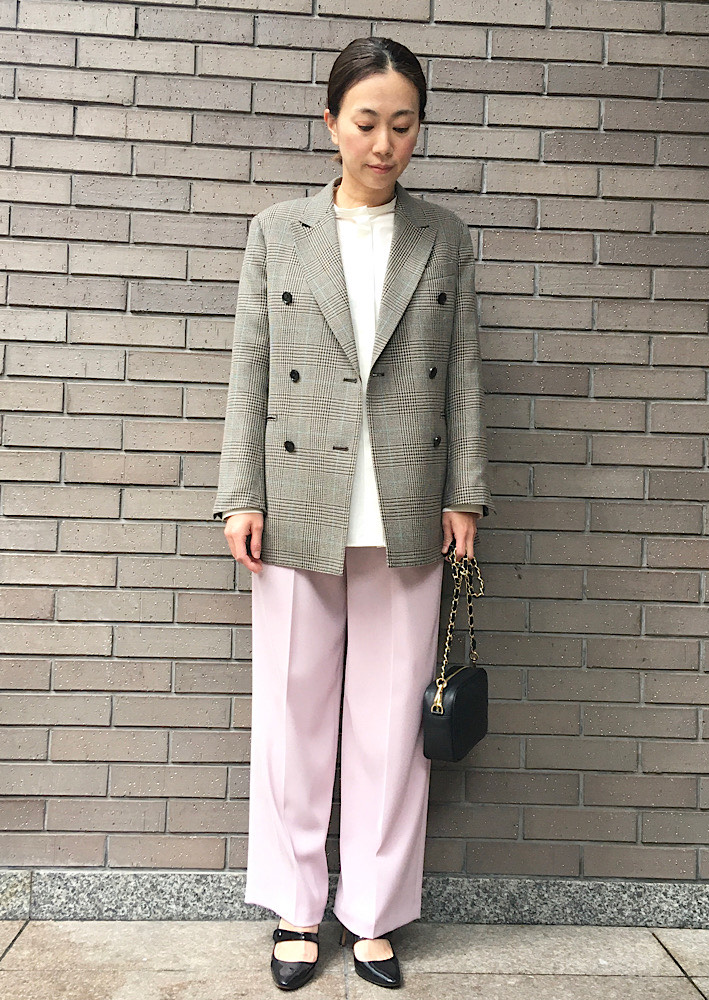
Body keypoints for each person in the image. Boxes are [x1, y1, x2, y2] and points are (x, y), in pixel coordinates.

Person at [212, 36, 492, 991]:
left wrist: (465, 491)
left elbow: (464, 375)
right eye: (366, 122)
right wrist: (240, 493)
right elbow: (250, 368)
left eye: (403, 125)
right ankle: (296, 908)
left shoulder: (443, 235)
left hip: (408, 505)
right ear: (331, 121)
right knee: (293, 718)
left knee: (388, 729)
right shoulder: (277, 231)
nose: (384, 144)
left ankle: (372, 914)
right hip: (299, 502)